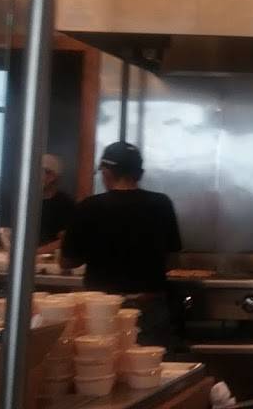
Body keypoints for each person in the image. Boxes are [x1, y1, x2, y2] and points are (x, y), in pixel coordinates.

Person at [61, 141, 182, 346]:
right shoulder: (161, 204)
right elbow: (173, 259)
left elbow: (67, 262)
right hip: (149, 305)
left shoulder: (89, 207)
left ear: (106, 172)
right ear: (140, 173)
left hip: (102, 309)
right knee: (149, 361)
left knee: (102, 361)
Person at [39, 154, 75, 253]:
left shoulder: (65, 203)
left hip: (52, 258)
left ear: (53, 177)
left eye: (43, 172)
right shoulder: (27, 201)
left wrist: (38, 252)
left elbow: (67, 238)